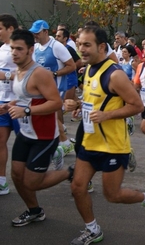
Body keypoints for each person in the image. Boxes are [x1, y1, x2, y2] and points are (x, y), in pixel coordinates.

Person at [68, 26, 145, 245]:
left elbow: (137, 106)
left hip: (112, 145)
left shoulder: (115, 74)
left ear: (101, 47)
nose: (82, 49)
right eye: (80, 44)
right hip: (90, 141)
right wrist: (79, 105)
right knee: (77, 187)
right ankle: (92, 230)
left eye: (87, 45)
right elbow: (98, 102)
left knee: (112, 195)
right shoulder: (89, 69)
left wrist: (106, 115)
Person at [3, 29, 72, 226]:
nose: (14, 53)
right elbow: (27, 97)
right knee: (16, 175)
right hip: (25, 133)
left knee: (31, 182)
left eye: (19, 49)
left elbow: (56, 103)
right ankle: (34, 211)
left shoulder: (40, 73)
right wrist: (10, 105)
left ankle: (71, 172)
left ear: (30, 50)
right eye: (12, 49)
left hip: (44, 135)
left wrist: (26, 112)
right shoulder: (18, 71)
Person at [30, 19, 76, 165]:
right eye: (33, 33)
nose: (35, 35)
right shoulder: (36, 47)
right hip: (41, 90)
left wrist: (55, 74)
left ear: (45, 32)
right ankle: (63, 142)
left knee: (50, 114)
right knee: (51, 116)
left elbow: (72, 66)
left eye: (37, 33)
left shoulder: (56, 47)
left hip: (57, 88)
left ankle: (64, 142)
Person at [0, 14, 19, 195]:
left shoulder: (24, 48)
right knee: (0, 141)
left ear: (10, 29)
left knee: (25, 145)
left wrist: (5, 76)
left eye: (0, 28)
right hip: (2, 101)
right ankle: (2, 182)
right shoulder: (1, 49)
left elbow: (29, 74)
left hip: (21, 103)